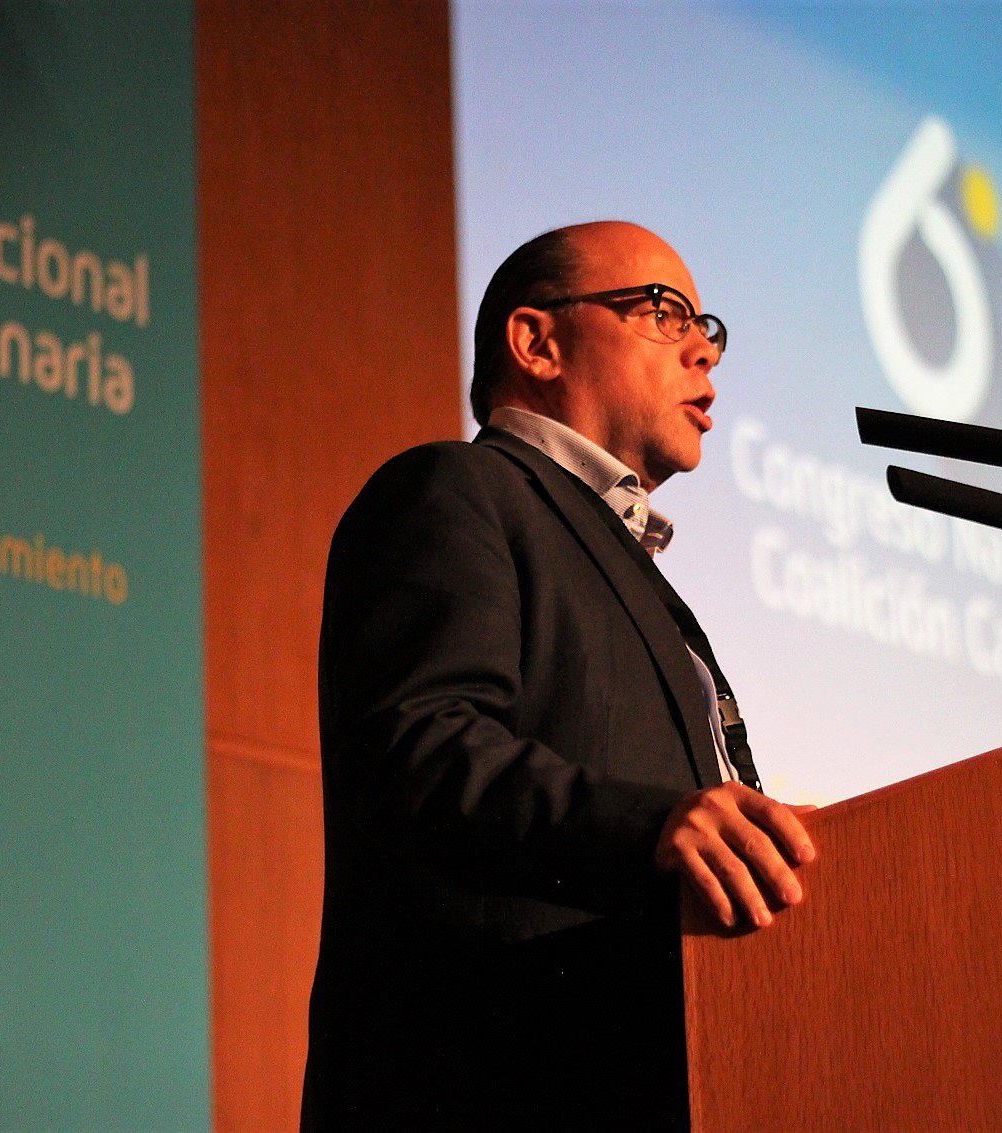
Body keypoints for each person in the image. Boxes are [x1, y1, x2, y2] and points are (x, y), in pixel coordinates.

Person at [300, 221, 818, 1131]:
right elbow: (416, 751)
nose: (704, 350)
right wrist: (648, 829)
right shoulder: (456, 491)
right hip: (491, 1087)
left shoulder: (629, 565)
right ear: (537, 342)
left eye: (707, 327)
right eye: (663, 311)